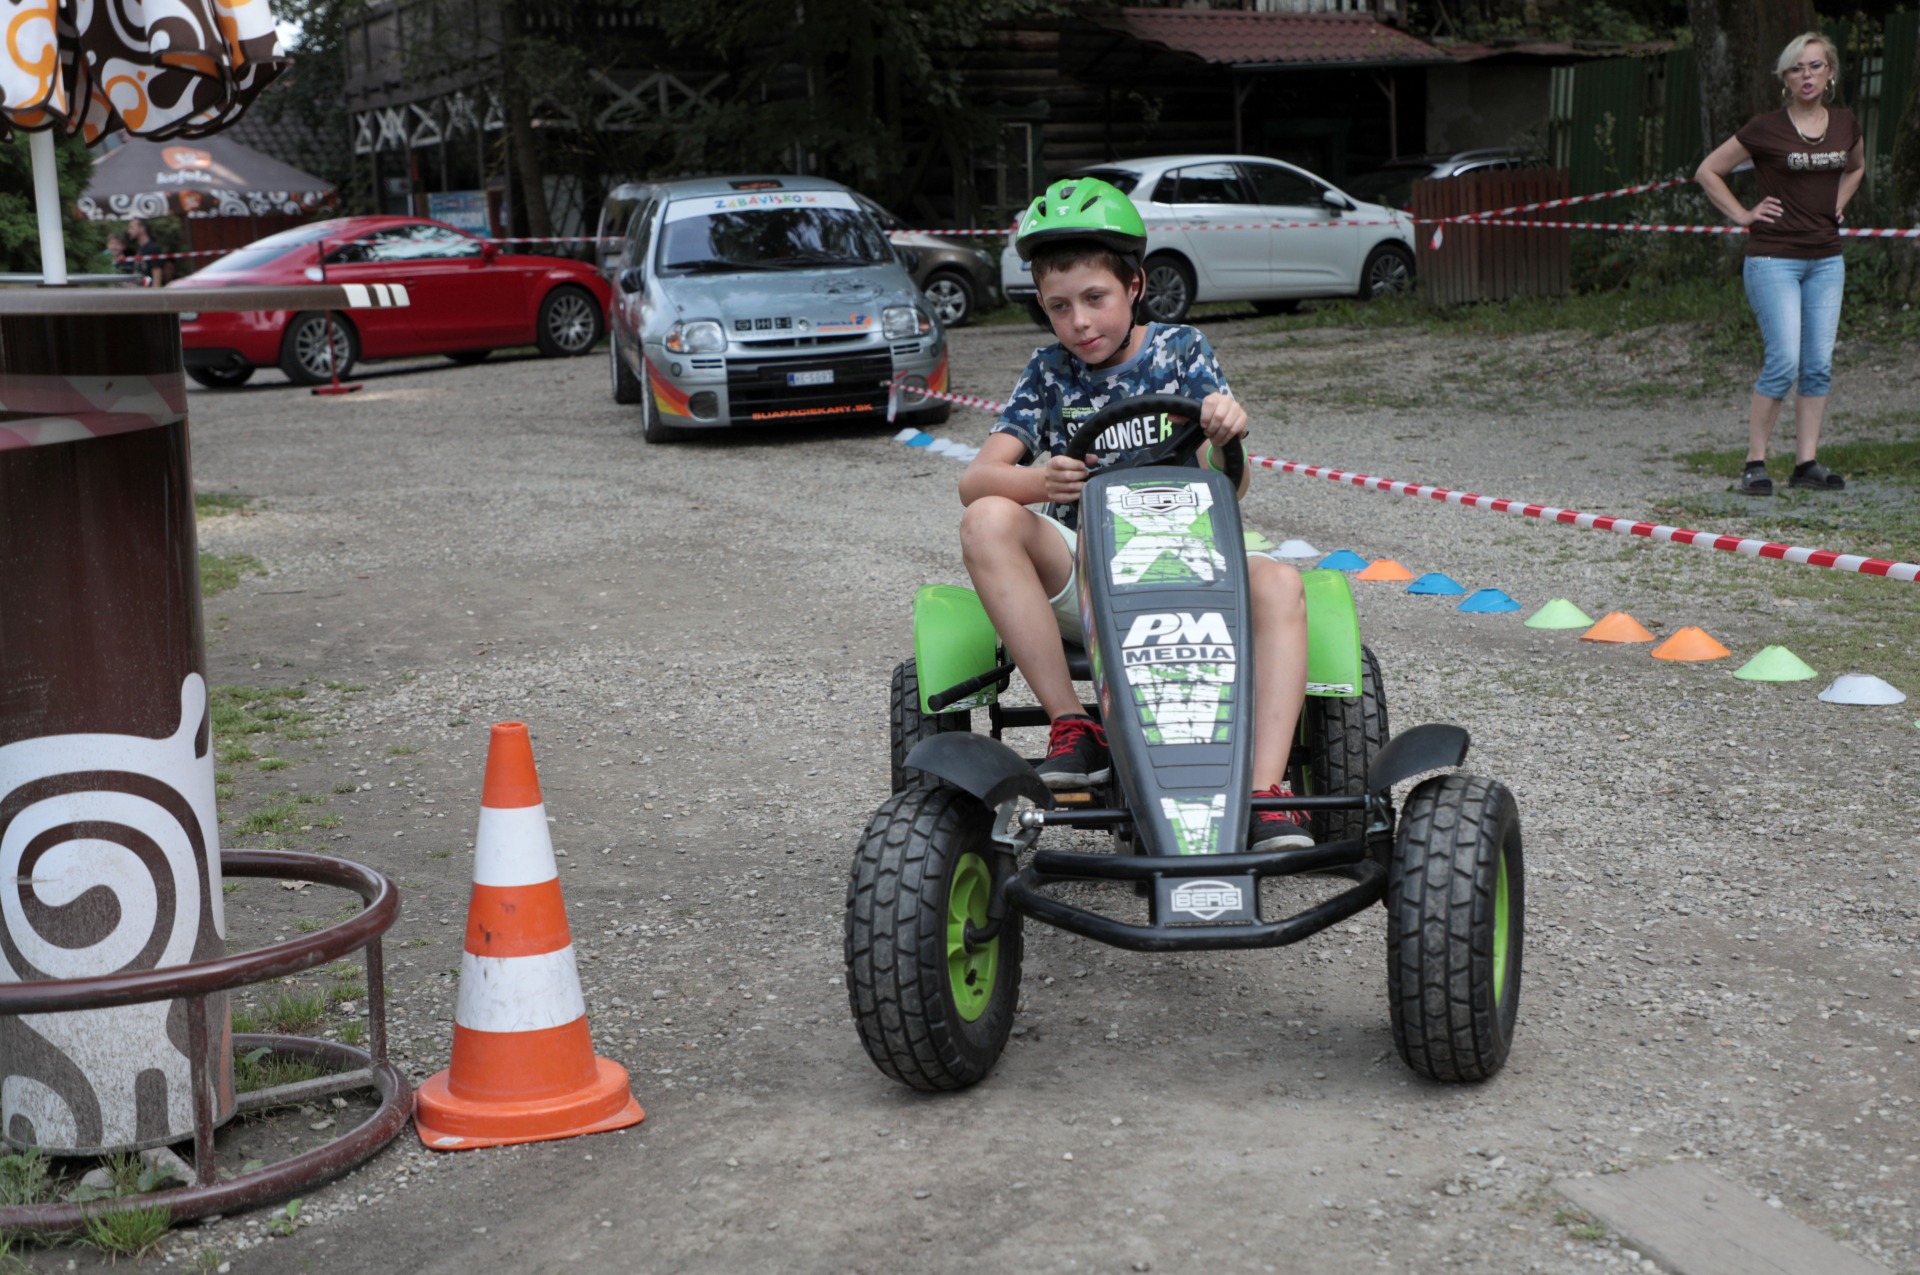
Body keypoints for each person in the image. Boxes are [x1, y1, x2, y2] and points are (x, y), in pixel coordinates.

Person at [957, 176, 1315, 850]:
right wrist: (1039, 480)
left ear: (1135, 286)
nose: (1080, 322)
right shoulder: (1049, 373)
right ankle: (1075, 726)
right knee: (987, 519)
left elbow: (1230, 487)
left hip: (1193, 568)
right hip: (1089, 577)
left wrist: (1226, 433)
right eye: (1060, 306)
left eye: (1095, 298)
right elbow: (976, 480)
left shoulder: (1182, 352)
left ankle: (1265, 792)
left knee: (1280, 581)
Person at [1696, 31, 1864, 496]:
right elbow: (1708, 171)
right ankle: (1755, 462)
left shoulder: (1846, 123)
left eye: (1815, 66)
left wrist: (1837, 202)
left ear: (1830, 72)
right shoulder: (1765, 127)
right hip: (1773, 259)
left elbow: (1855, 167)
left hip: (1826, 260)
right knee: (1784, 360)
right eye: (1796, 68)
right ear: (1784, 79)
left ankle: (1806, 463)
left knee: (1817, 364)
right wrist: (1742, 214)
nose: (1806, 75)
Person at [126, 218, 170, 286]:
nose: (129, 231)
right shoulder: (140, 249)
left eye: (132, 227)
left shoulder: (152, 249)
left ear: (142, 229)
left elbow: (157, 275)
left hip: (148, 290)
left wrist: (154, 292)